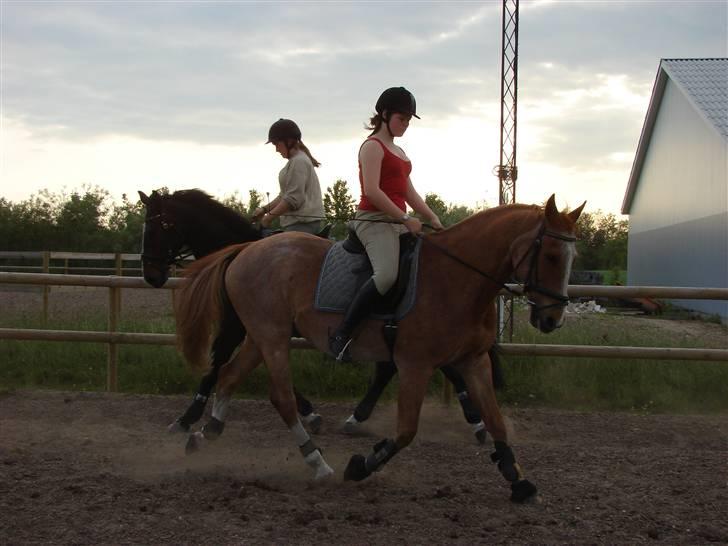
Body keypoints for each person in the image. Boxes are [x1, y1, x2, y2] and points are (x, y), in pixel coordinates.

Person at [329, 86, 444, 361]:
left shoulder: (400, 152)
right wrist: (405, 218)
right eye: (401, 119)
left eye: (407, 121)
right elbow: (372, 191)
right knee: (386, 275)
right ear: (384, 114)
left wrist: (431, 217)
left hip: (396, 222)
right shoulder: (372, 147)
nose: (405, 125)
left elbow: (409, 193)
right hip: (373, 221)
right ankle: (342, 334)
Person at [252, 118, 325, 235]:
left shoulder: (299, 162)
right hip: (298, 224)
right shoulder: (295, 161)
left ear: (289, 141)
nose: (276, 149)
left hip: (303, 226)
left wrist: (267, 218)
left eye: (277, 144)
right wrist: (264, 210)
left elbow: (293, 199)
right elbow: (284, 196)